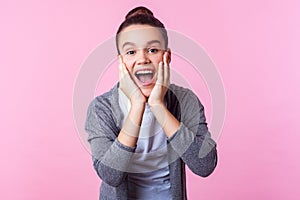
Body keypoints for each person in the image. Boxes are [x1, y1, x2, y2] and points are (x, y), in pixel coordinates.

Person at [85, 6, 217, 200]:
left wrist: (158, 106)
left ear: (167, 56)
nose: (142, 59)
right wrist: (137, 106)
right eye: (131, 52)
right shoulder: (101, 108)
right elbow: (110, 176)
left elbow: (205, 165)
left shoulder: (185, 100)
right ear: (120, 62)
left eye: (153, 50)